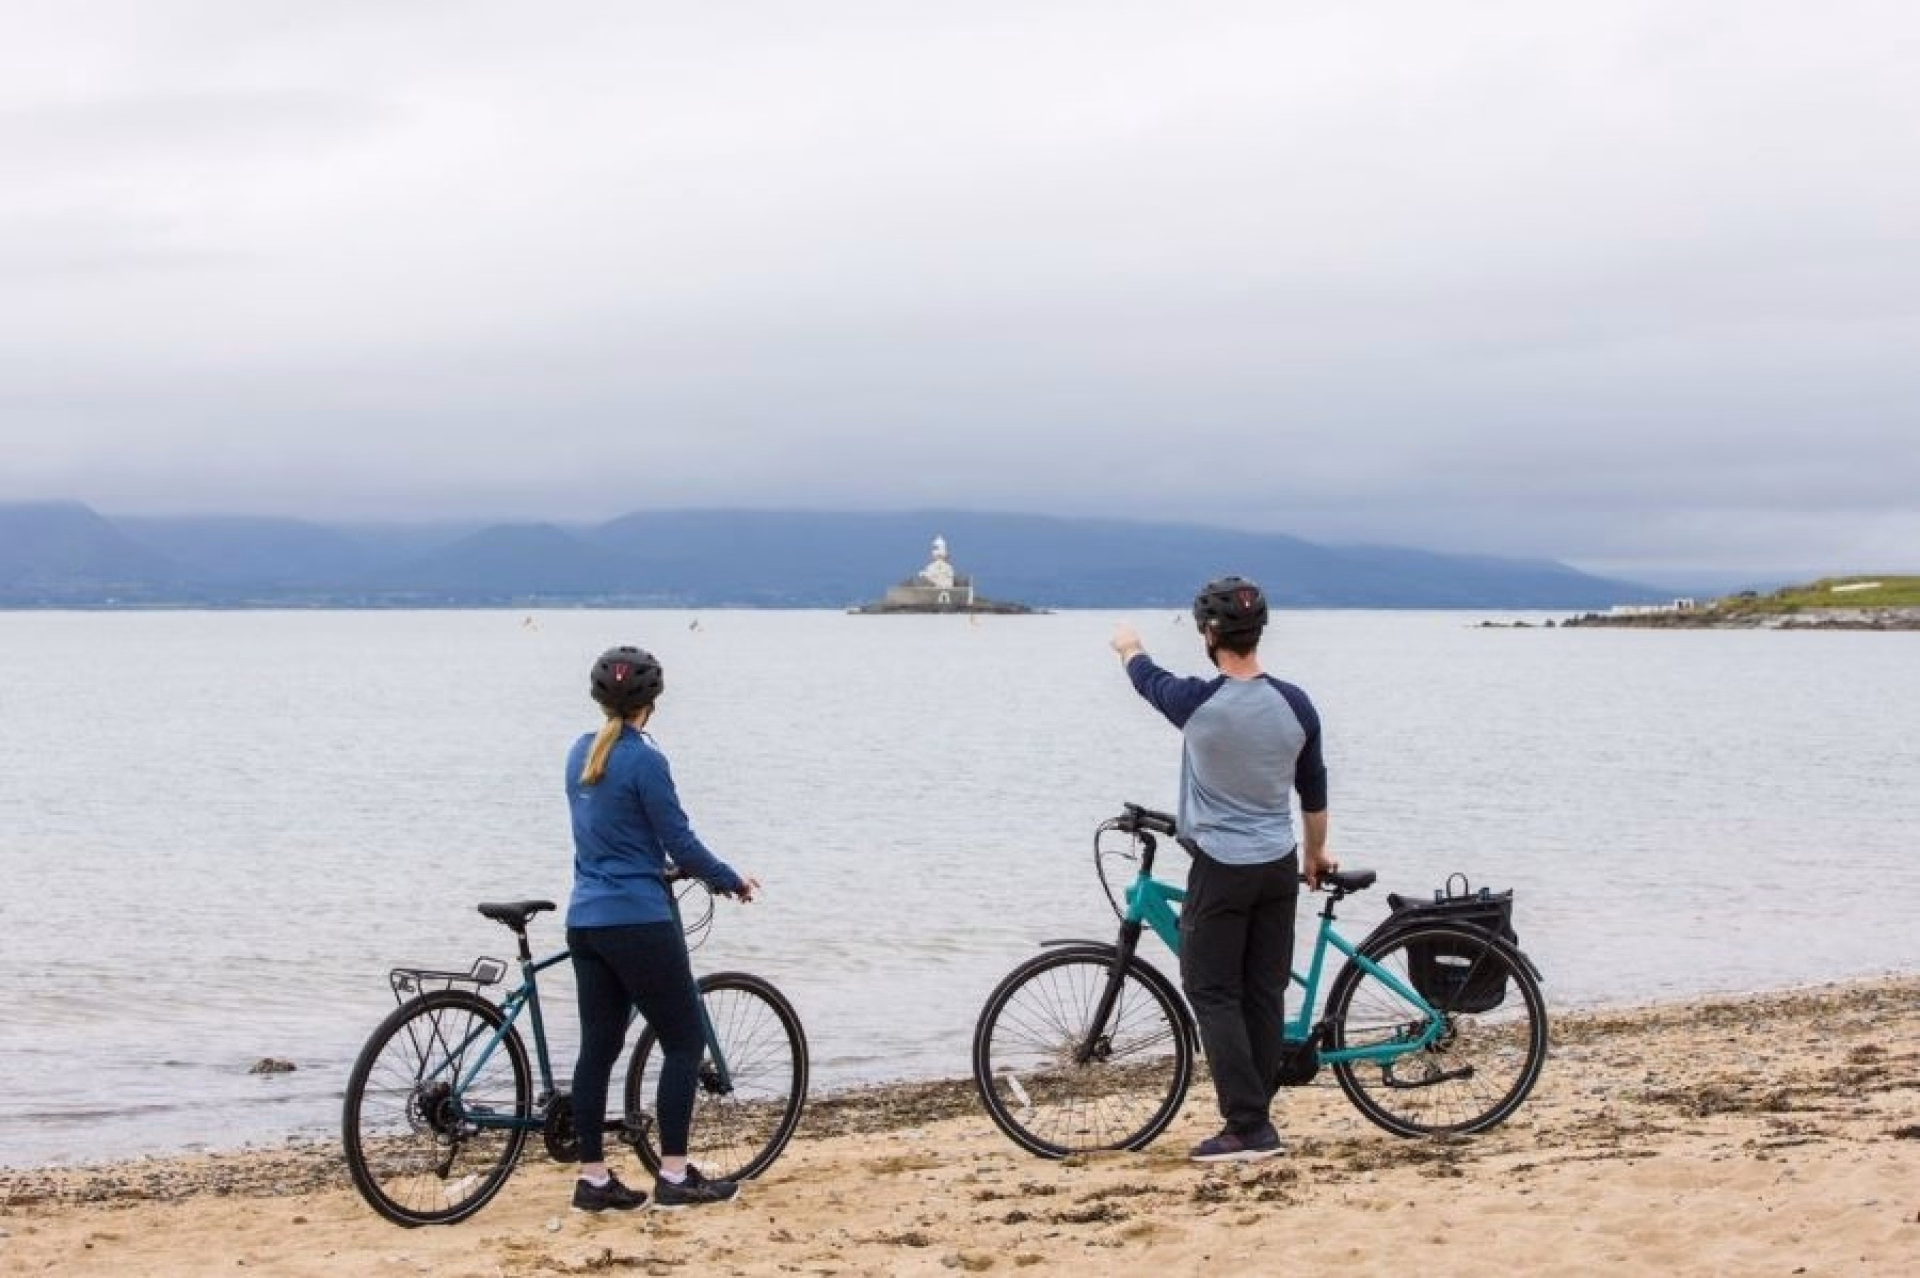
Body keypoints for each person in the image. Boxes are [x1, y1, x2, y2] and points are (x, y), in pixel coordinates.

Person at [1110, 576, 1333, 1163]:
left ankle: (1248, 1124)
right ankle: (1258, 1111)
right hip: (1278, 866)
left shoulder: (1197, 703)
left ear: (1209, 634)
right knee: (1263, 991)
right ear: (1259, 631)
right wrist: (1315, 853)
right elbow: (1313, 789)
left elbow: (1146, 679)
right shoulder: (1296, 705)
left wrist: (1128, 644)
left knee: (1211, 988)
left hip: (1223, 866)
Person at [563, 644, 760, 1211]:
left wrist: (650, 861)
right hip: (638, 920)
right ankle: (674, 1176)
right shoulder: (645, 758)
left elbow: (609, 830)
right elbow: (680, 839)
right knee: (682, 1040)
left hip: (586, 921)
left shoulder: (579, 751)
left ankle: (594, 1181)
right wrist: (730, 881)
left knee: (597, 1048)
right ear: (653, 701)